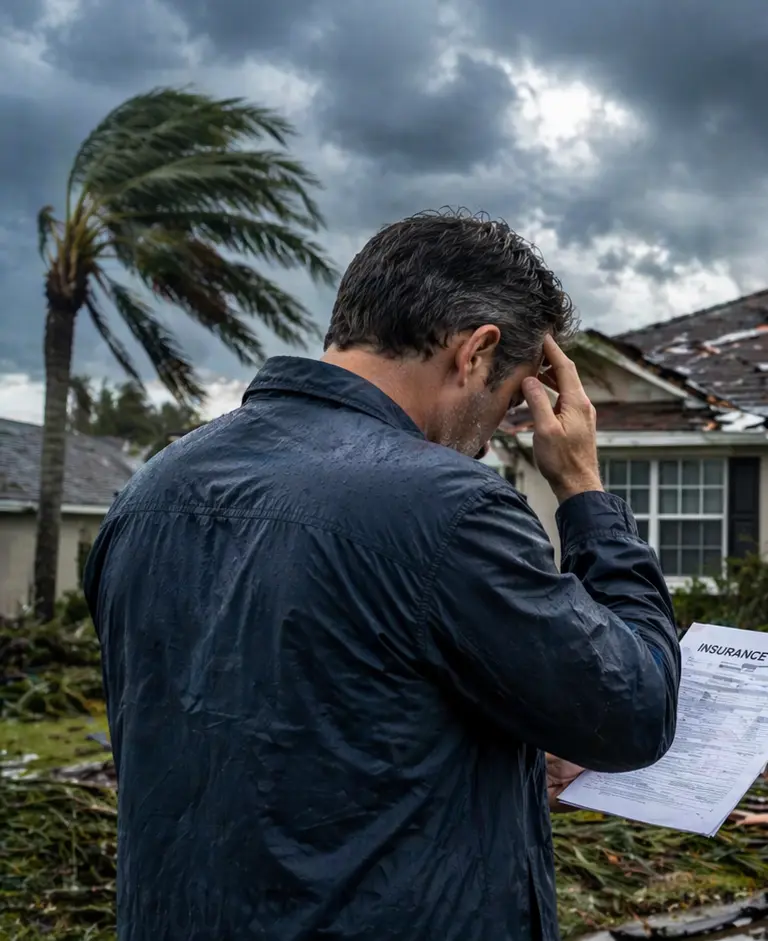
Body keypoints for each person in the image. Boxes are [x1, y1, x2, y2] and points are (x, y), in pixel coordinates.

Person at [82, 209, 682, 941]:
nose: (491, 440)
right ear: (477, 353)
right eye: (512, 401)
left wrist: (504, 756)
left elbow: (299, 725)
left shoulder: (151, 489)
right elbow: (635, 711)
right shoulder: (448, 506)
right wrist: (584, 491)